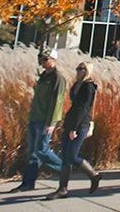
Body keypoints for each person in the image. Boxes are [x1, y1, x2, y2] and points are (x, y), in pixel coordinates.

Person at [43, 60, 101, 199]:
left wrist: (74, 128)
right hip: (71, 122)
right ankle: (62, 189)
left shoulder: (88, 87)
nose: (77, 70)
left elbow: (83, 109)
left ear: (87, 70)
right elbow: (74, 105)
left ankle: (93, 175)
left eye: (80, 68)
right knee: (65, 157)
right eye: (77, 68)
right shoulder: (77, 85)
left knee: (72, 156)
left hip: (80, 125)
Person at [11, 49, 66, 192]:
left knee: (42, 150)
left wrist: (51, 122)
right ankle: (28, 183)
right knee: (33, 153)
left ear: (54, 60)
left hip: (45, 119)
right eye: (41, 58)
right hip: (35, 117)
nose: (42, 61)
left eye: (46, 59)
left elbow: (57, 102)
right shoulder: (43, 76)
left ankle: (65, 170)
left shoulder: (57, 78)